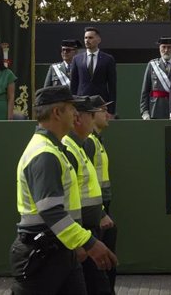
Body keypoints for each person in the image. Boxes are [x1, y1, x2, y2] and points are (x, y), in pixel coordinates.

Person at [10, 86, 116, 295]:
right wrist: (88, 242)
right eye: (70, 109)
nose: (75, 114)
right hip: (42, 255)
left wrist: (77, 243)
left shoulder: (55, 150)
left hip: (60, 250)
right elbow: (51, 211)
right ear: (57, 113)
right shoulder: (44, 154)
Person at [62, 96, 112, 295]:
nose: (95, 119)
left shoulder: (80, 145)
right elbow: (63, 201)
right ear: (78, 119)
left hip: (87, 230)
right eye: (91, 114)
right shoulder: (70, 148)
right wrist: (79, 243)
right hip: (80, 234)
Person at [85, 95, 117, 294]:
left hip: (102, 207)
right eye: (102, 110)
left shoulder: (97, 140)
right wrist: (101, 212)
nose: (107, 114)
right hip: (97, 212)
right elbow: (86, 181)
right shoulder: (89, 142)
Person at [70, 27, 117, 115]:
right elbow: (73, 85)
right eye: (85, 38)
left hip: (101, 104)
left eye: (90, 38)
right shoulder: (77, 59)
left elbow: (112, 87)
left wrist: (111, 111)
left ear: (98, 40)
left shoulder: (108, 59)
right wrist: (72, 107)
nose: (87, 40)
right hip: (81, 104)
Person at [140, 36, 171, 120]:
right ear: (159, 48)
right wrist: (144, 111)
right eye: (163, 47)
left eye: (169, 47)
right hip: (155, 110)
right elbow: (145, 90)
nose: (166, 50)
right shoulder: (152, 64)